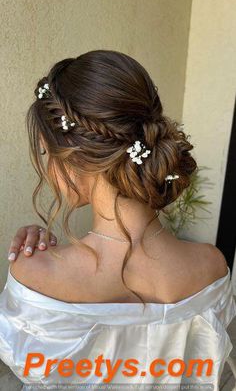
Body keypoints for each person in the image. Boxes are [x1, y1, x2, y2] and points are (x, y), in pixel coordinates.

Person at [0, 49, 236, 390]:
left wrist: (43, 258)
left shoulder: (37, 274)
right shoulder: (212, 266)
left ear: (72, 155)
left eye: (44, 152)